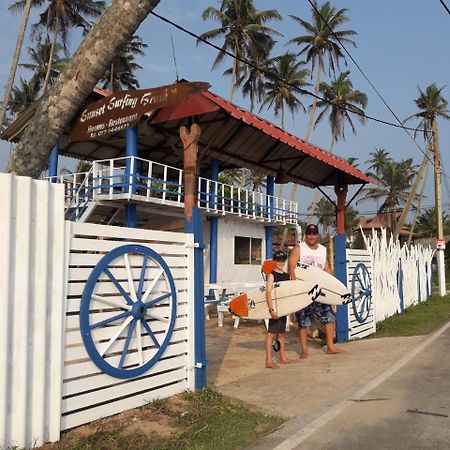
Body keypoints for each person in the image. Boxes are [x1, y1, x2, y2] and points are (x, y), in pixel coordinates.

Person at [288, 223, 344, 357]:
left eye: (314, 234)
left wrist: (332, 288)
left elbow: (327, 269)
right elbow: (291, 269)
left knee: (329, 318)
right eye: (309, 234)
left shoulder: (322, 250)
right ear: (306, 235)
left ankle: (330, 346)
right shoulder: (299, 249)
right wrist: (295, 290)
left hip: (320, 291)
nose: (311, 236)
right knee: (303, 321)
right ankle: (304, 350)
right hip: (304, 291)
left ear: (317, 235)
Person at [265, 250, 295, 369]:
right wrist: (271, 310)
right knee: (271, 334)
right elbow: (268, 293)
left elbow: (289, 294)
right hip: (275, 309)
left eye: (282, 260)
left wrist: (292, 311)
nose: (280, 263)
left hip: (283, 309)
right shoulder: (272, 275)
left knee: (282, 334)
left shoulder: (286, 276)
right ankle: (268, 361)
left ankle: (282, 358)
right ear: (274, 261)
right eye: (278, 260)